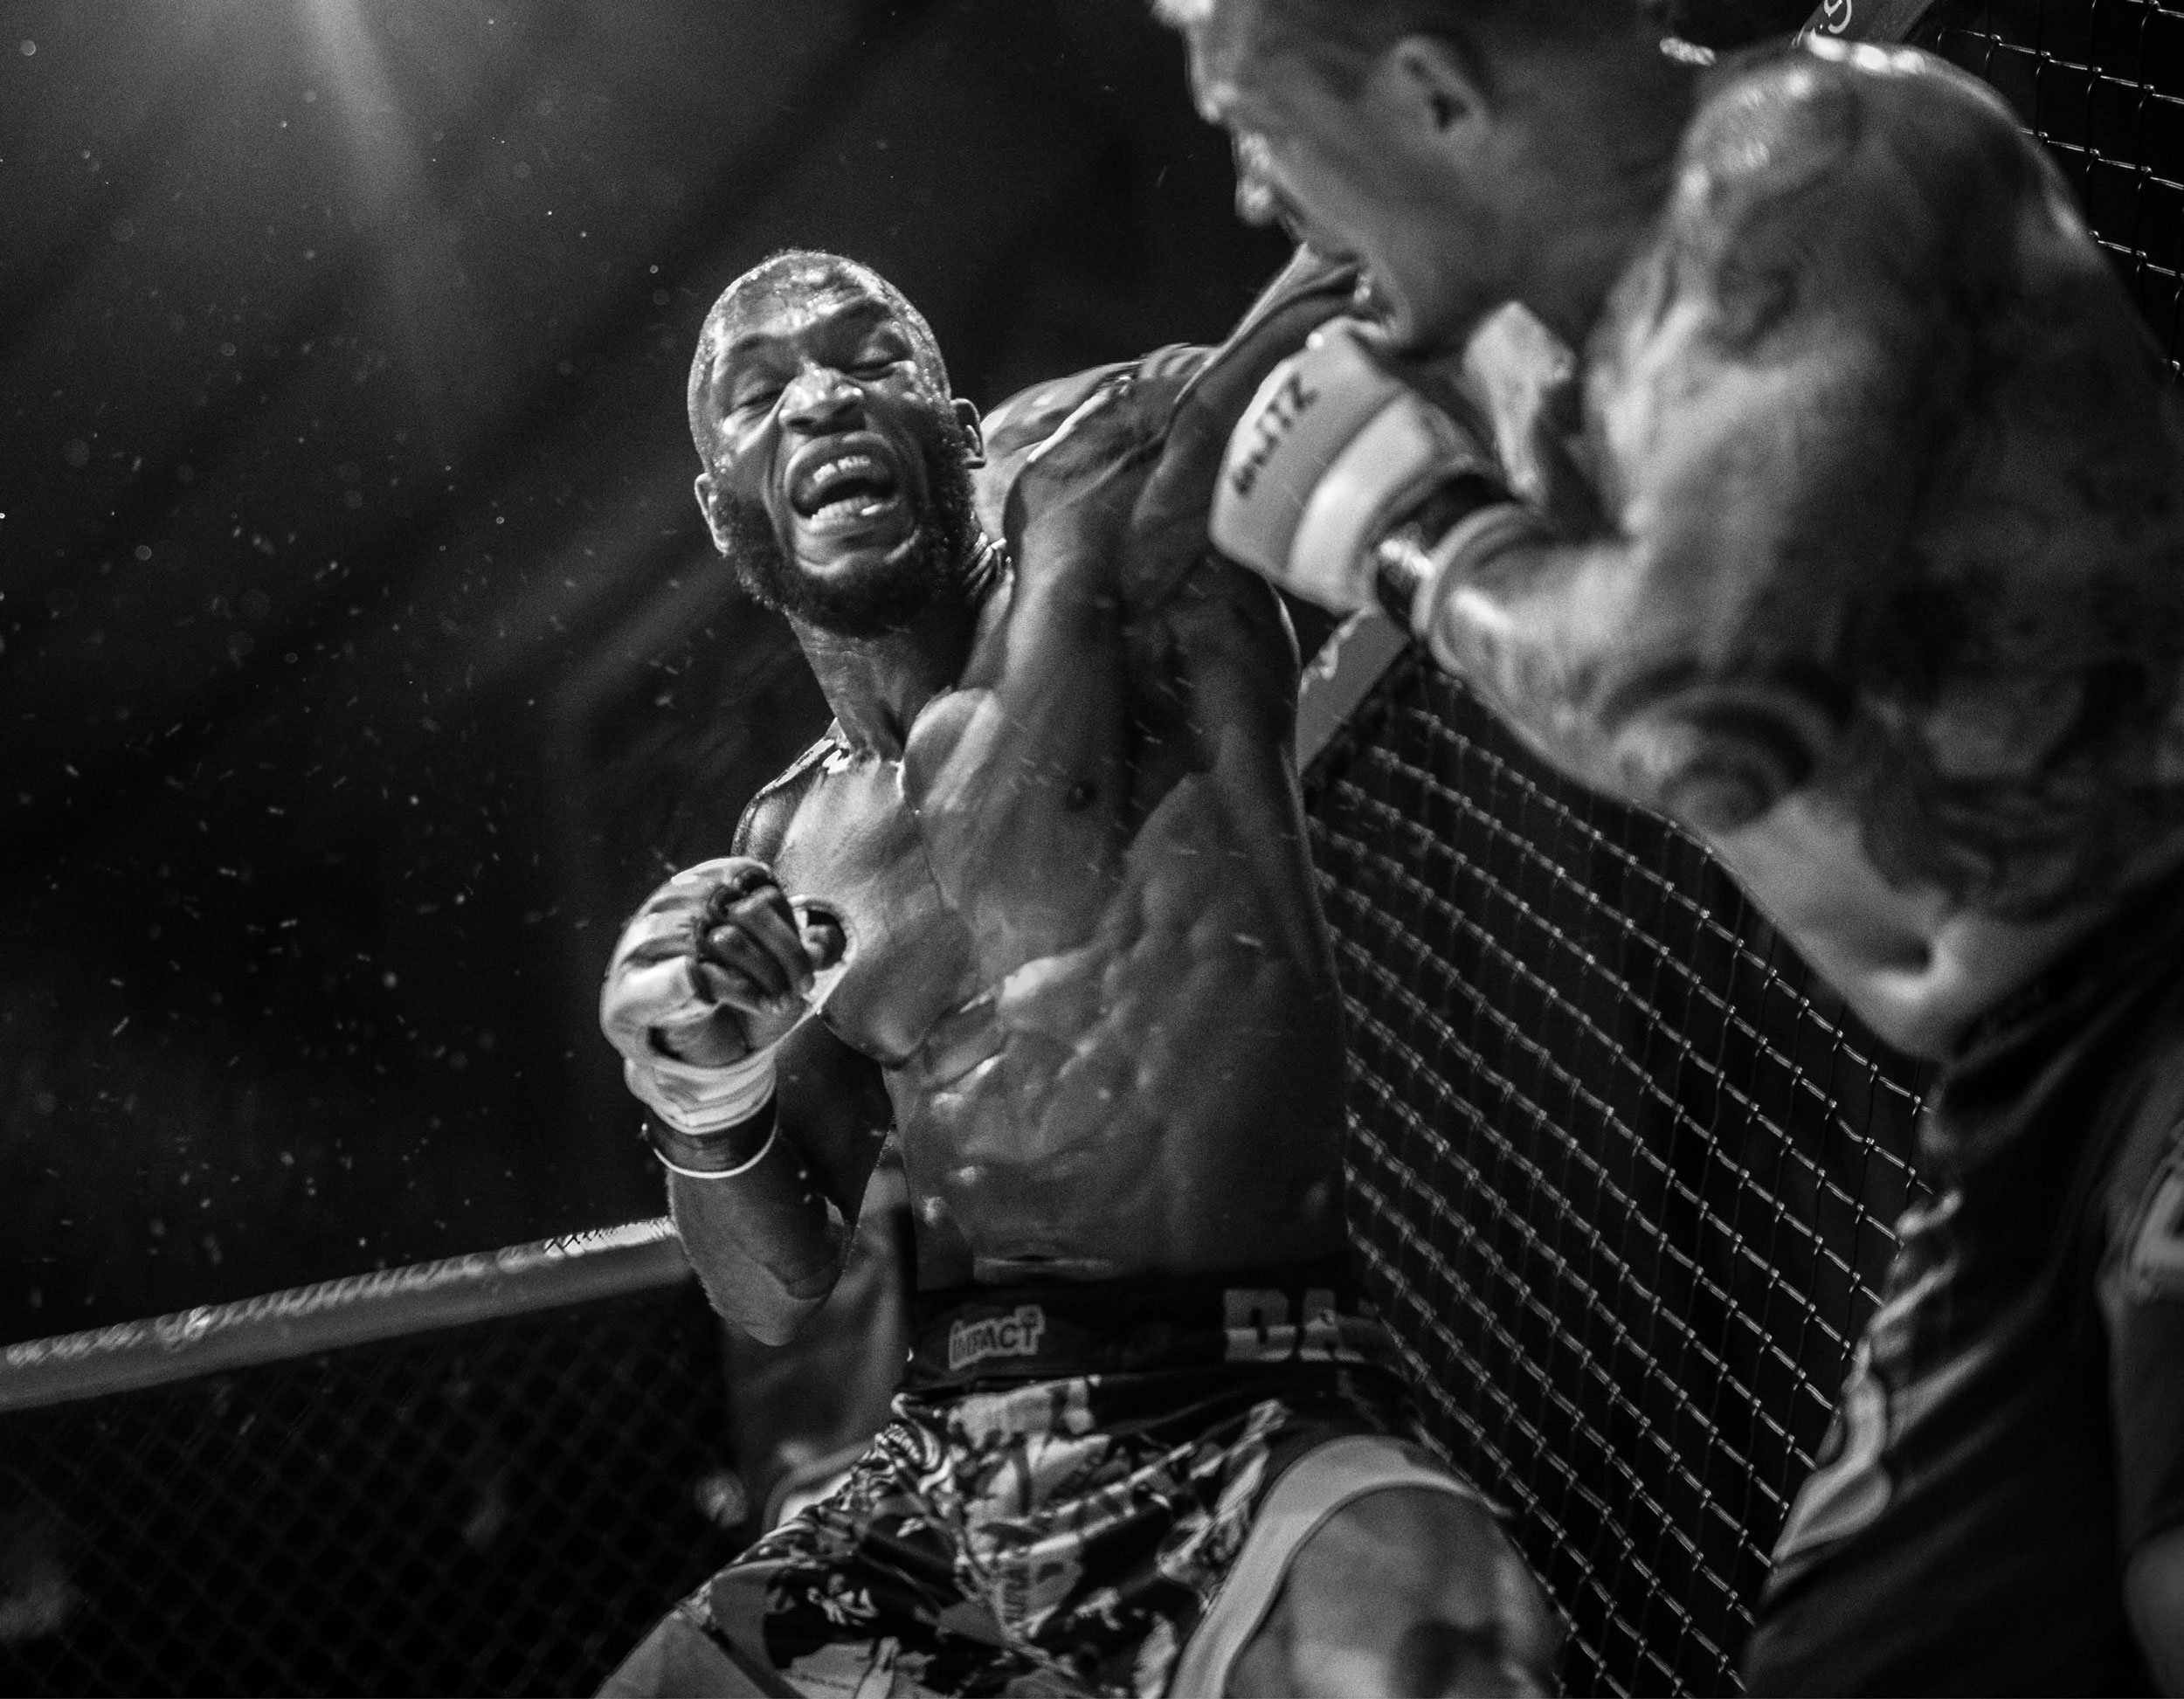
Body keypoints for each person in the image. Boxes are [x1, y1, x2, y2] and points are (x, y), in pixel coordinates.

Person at [1153, 0, 2184, 1690]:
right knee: (1859, 1658)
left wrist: (1411, 533)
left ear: (1431, 89)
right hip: (2011, 1093)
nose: (1261, 198)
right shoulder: (1555, 373)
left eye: (1259, 132)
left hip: (2168, 952)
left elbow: (1700, 703)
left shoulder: (1820, 168)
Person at [593, 248, 1560, 1698]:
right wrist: (699, 1085)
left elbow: (1363, 281)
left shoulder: (1116, 539)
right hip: (944, 1481)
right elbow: (775, 1285)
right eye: (757, 391)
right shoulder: (795, 843)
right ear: (726, 515)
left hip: (1243, 1402)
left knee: (1434, 1657)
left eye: (868, 356)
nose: (819, 399)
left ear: (958, 427)